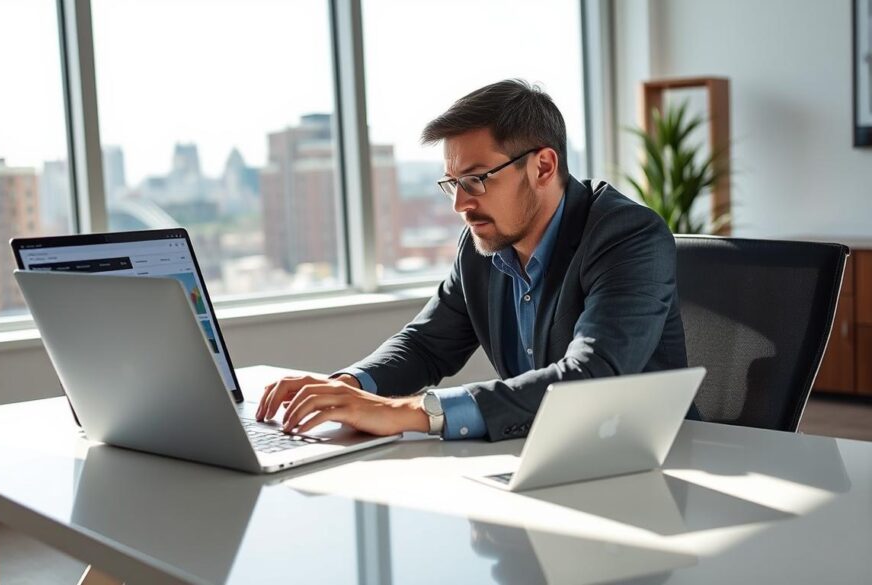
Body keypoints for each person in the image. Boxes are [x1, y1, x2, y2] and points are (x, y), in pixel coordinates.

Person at [256, 79, 692, 442]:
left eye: (476, 180)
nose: (460, 205)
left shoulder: (627, 235)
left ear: (542, 166)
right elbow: (426, 345)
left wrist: (412, 412)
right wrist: (347, 387)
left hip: (659, 462)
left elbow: (593, 377)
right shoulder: (484, 244)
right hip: (543, 458)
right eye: (453, 183)